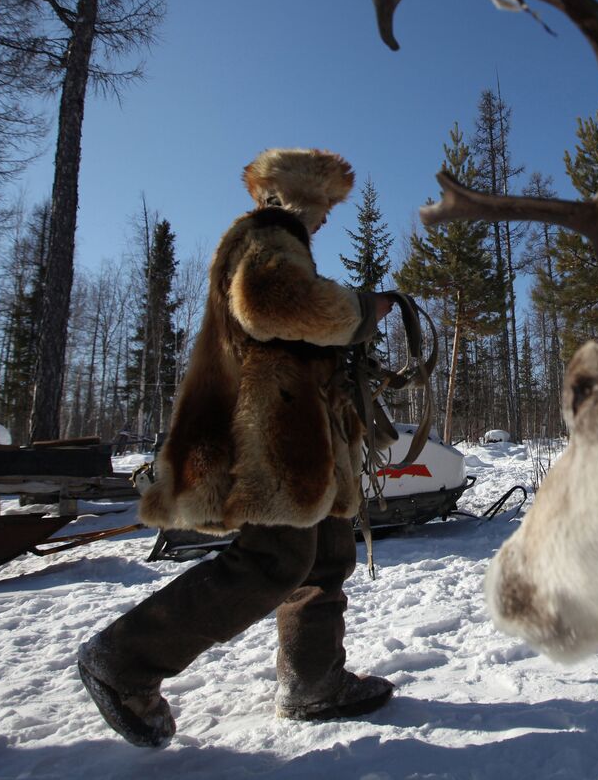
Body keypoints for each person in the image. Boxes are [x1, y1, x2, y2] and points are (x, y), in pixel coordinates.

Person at [78, 148, 395, 747]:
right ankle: (124, 661)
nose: (327, 218)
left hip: (303, 432)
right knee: (273, 560)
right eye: (324, 205)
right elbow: (271, 303)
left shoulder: (276, 242)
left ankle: (313, 681)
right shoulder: (268, 235)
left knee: (325, 553)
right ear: (301, 196)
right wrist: (360, 310)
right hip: (270, 434)